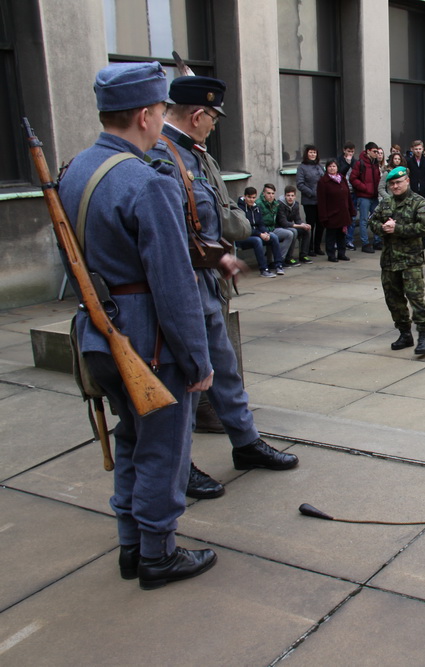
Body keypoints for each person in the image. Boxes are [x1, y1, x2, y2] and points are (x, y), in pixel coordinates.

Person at [59, 61, 216, 589]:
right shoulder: (145, 182)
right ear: (148, 114)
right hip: (149, 341)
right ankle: (158, 554)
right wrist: (196, 359)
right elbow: (173, 285)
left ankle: (132, 546)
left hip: (100, 334)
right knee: (163, 451)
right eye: (160, 111)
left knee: (131, 440)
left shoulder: (76, 169)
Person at [152, 75, 298, 501]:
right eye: (213, 118)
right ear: (198, 115)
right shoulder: (160, 157)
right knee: (183, 381)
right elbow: (166, 234)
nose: (215, 125)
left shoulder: (194, 155)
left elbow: (208, 216)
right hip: (180, 284)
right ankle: (181, 466)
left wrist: (219, 257)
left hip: (206, 278)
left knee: (225, 368)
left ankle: (245, 443)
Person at [368, 167, 425, 355]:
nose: (395, 186)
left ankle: (423, 336)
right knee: (393, 300)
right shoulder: (386, 203)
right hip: (389, 261)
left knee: (416, 299)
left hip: (410, 260)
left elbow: (424, 227)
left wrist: (397, 229)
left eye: (399, 182)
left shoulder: (419, 203)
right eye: (392, 184)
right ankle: (405, 333)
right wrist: (382, 227)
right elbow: (371, 222)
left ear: (407, 181)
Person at [237, 187, 283, 277]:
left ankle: (279, 265)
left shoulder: (256, 208)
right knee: (257, 241)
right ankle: (264, 269)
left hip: (256, 233)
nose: (251, 200)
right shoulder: (239, 209)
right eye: (249, 197)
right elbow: (245, 228)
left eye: (253, 197)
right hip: (243, 236)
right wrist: (260, 234)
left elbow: (261, 223)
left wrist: (265, 232)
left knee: (273, 236)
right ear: (244, 196)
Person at [318, 159, 355, 261]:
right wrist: (324, 216)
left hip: (343, 212)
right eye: (330, 166)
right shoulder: (323, 181)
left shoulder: (342, 179)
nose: (332, 168)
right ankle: (331, 255)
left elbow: (348, 196)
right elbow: (321, 200)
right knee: (331, 235)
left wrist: (351, 211)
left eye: (334, 166)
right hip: (331, 213)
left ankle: (341, 253)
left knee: (342, 235)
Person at [349, 141, 382, 254]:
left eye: (377, 152)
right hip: (364, 196)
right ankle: (365, 243)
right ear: (368, 151)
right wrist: (364, 187)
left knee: (376, 218)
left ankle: (377, 241)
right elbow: (353, 179)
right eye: (374, 151)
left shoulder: (375, 163)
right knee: (364, 220)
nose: (376, 154)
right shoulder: (360, 163)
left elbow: (377, 178)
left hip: (374, 196)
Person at [258, 184, 294, 272]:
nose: (271, 196)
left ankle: (280, 259)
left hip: (273, 228)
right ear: (263, 193)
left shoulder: (275, 204)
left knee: (289, 234)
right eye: (268, 193)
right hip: (263, 230)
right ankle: (272, 262)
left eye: (273, 193)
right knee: (272, 236)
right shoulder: (258, 204)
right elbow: (259, 222)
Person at [296, 145, 324, 255]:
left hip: (321, 201)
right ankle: (309, 247)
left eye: (314, 152)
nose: (312, 154)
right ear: (307, 154)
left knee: (321, 224)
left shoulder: (320, 166)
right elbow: (300, 184)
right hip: (310, 201)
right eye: (310, 152)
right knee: (311, 224)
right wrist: (311, 193)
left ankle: (318, 247)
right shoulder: (302, 167)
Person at [277, 185, 312, 266]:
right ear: (285, 196)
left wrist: (304, 224)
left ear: (295, 196)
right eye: (288, 195)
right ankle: (289, 258)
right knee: (294, 231)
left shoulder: (295, 204)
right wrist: (300, 226)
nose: (290, 198)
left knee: (306, 230)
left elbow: (298, 219)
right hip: (280, 227)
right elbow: (283, 223)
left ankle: (303, 255)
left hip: (291, 226)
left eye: (292, 196)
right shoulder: (280, 204)